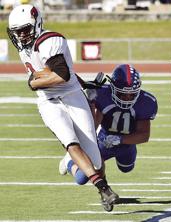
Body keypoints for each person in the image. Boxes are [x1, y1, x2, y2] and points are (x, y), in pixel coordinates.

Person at [7, 4, 119, 211]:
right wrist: (42, 79)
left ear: (37, 23)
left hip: (72, 96)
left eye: (24, 29)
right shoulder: (25, 48)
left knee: (95, 159)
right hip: (49, 102)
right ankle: (104, 189)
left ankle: (71, 163)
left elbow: (61, 75)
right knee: (70, 141)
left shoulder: (50, 40)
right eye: (17, 31)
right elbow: (52, 72)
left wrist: (32, 83)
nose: (21, 35)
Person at [59, 64, 157, 185]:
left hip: (126, 143)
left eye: (132, 94)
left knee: (126, 168)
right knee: (82, 178)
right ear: (113, 88)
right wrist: (91, 104)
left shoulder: (146, 101)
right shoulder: (101, 95)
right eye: (122, 94)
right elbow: (92, 126)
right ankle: (69, 161)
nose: (127, 98)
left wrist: (120, 139)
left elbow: (144, 135)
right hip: (103, 139)